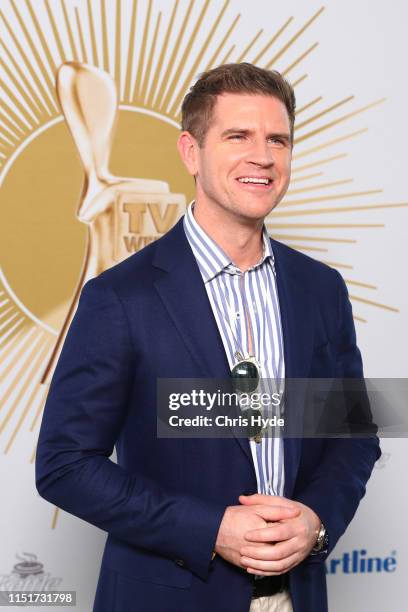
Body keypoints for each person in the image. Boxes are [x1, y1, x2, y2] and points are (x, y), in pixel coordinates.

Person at [36, 63, 380, 612]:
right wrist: (210, 527)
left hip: (296, 596)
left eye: (278, 139)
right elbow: (65, 465)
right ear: (191, 152)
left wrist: (316, 520)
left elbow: (353, 438)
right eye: (237, 136)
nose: (262, 156)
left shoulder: (320, 289)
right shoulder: (121, 297)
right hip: (170, 596)